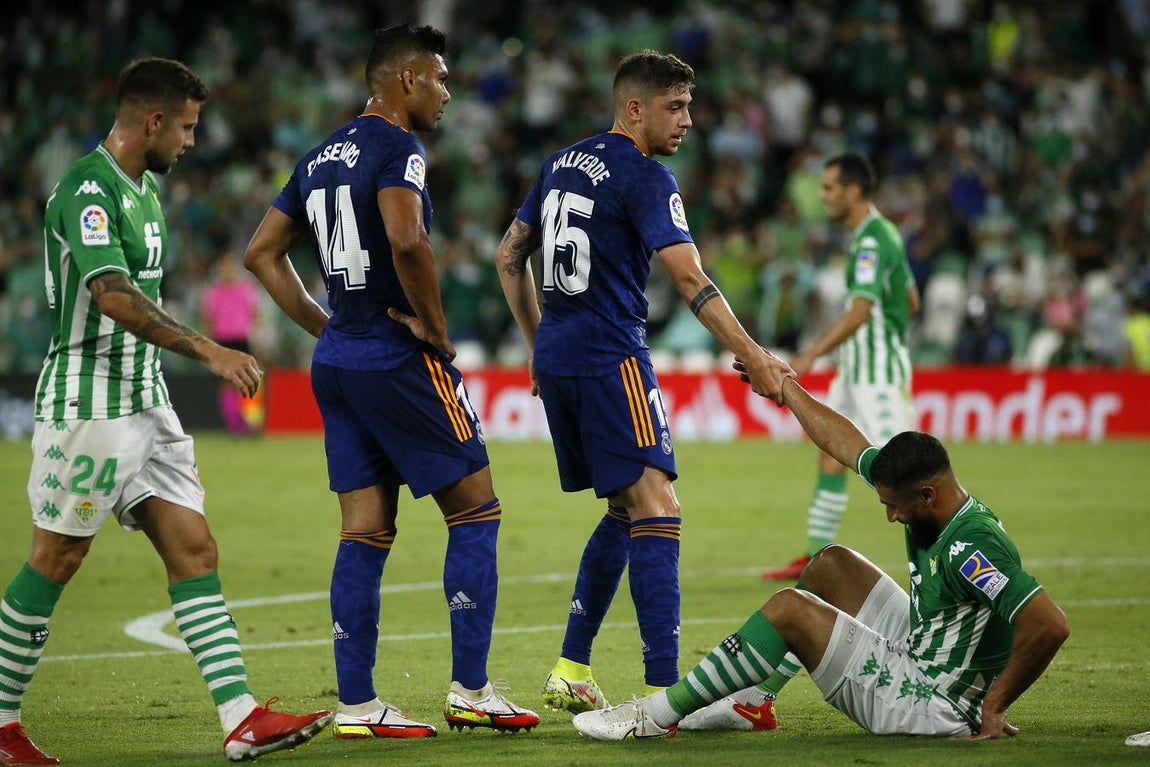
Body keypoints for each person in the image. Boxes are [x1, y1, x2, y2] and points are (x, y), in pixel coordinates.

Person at [0, 58, 332, 766]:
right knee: (57, 555)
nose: (190, 141)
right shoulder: (87, 190)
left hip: (146, 403)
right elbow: (113, 294)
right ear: (152, 121)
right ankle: (0, 724)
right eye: (185, 127)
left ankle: (240, 717)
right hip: (90, 403)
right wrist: (211, 351)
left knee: (194, 549)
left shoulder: (144, 189)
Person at [242, 24, 538, 739]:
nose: (446, 91)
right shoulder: (399, 148)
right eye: (439, 78)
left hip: (339, 360)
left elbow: (261, 252)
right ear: (405, 80)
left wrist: (326, 326)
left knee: (364, 530)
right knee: (475, 510)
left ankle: (356, 703)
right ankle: (471, 689)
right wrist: (436, 329)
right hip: (395, 355)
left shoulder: (317, 156)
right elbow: (408, 240)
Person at [495, 49, 794, 715]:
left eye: (689, 106)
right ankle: (666, 692)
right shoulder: (645, 175)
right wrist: (756, 353)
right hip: (610, 355)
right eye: (675, 106)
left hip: (562, 356)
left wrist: (536, 341)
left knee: (626, 507)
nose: (688, 119)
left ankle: (572, 665)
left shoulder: (559, 163)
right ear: (635, 108)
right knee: (660, 507)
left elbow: (509, 255)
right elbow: (689, 279)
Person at [572, 371, 1070, 741]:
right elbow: (845, 441)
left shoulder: (970, 548)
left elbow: (1049, 624)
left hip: (931, 702)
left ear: (926, 496)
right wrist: (787, 388)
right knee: (829, 564)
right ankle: (751, 703)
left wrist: (996, 704)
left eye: (894, 508)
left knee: (788, 609)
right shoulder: (935, 502)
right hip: (925, 649)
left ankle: (653, 716)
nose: (891, 518)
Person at [764, 151, 921, 581]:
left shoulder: (871, 240)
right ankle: (817, 559)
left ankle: (947, 559)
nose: (823, 196)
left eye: (829, 188)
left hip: (877, 375)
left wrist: (810, 355)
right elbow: (911, 300)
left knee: (907, 472)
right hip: (857, 370)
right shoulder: (881, 233)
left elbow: (858, 313)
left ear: (853, 191)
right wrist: (891, 330)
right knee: (832, 455)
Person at [201, 252, 264, 435]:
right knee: (228, 383)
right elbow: (208, 320)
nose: (227, 271)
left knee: (248, 380)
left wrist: (259, 339)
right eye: (224, 267)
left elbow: (256, 316)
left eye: (230, 267)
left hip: (242, 338)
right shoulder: (213, 292)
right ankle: (233, 422)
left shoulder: (246, 289)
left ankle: (249, 419)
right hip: (223, 341)